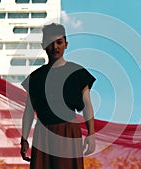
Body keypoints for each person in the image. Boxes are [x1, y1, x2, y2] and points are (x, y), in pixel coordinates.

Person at [20, 23, 96, 169]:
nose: (55, 47)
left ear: (66, 44)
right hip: (43, 134)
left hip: (68, 132)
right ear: (43, 45)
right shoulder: (35, 77)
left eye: (59, 42)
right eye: (50, 43)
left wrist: (91, 134)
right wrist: (23, 139)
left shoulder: (78, 73)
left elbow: (87, 105)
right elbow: (28, 110)